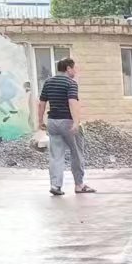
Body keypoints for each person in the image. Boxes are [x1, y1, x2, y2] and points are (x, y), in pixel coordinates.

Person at [38, 57, 93, 196]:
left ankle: (55, 185)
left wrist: (40, 121)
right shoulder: (71, 83)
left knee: (56, 155)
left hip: (52, 122)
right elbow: (72, 102)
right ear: (68, 69)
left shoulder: (48, 82)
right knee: (77, 153)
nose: (75, 71)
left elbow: (42, 103)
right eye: (74, 68)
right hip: (67, 121)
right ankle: (79, 185)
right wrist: (76, 122)